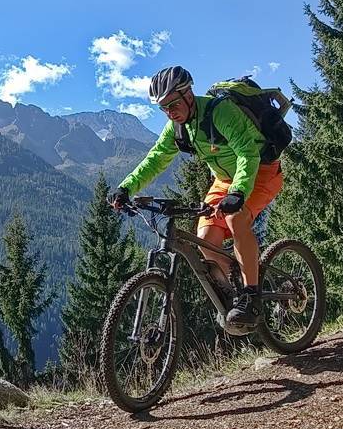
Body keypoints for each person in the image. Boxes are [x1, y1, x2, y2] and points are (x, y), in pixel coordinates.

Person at [108, 66, 284, 328]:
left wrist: (238, 192)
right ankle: (233, 296)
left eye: (173, 104)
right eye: (163, 108)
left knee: (237, 220)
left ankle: (251, 297)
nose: (170, 112)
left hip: (260, 172)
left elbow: (248, 153)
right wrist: (126, 188)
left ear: (189, 93)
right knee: (205, 239)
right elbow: (155, 160)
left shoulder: (220, 112)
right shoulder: (177, 128)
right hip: (224, 181)